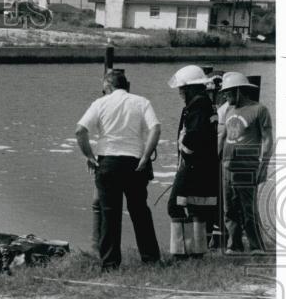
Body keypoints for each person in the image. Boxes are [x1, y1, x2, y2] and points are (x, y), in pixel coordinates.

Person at [76, 70, 161, 270]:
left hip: (108, 162)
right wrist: (146, 156)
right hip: (134, 162)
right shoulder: (141, 102)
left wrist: (89, 156)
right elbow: (155, 128)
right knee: (140, 212)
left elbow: (80, 130)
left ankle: (110, 263)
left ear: (108, 86)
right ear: (127, 85)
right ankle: (150, 259)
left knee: (109, 214)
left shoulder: (100, 103)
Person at [166, 65, 219, 258]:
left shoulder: (198, 107)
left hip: (193, 165)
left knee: (175, 206)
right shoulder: (206, 104)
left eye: (182, 89)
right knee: (198, 208)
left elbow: (194, 138)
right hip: (205, 166)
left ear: (190, 88)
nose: (180, 93)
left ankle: (181, 252)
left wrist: (184, 149)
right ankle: (198, 251)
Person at [217, 72, 273, 252]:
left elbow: (267, 139)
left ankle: (257, 247)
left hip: (246, 165)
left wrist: (263, 166)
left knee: (248, 209)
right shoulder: (228, 110)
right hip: (227, 166)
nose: (225, 96)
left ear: (239, 91)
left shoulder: (259, 110)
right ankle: (235, 245)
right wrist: (216, 157)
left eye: (228, 93)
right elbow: (224, 136)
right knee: (229, 209)